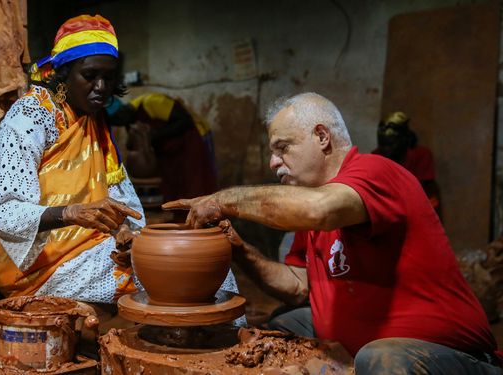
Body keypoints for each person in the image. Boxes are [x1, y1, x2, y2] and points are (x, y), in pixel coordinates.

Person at [163, 92, 501, 374]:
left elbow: (318, 209)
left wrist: (223, 200)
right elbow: (298, 286)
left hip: (447, 355)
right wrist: (239, 250)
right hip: (366, 343)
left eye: (282, 148)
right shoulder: (312, 204)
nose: (273, 162)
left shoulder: (375, 171)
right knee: (277, 328)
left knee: (381, 360)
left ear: (322, 137)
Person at [0, 14, 239, 307]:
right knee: (175, 268)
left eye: (108, 77)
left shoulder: (92, 121)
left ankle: (211, 345)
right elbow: (4, 213)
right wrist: (71, 212)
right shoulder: (30, 117)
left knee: (207, 263)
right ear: (63, 72)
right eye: (90, 76)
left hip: (89, 246)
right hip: (35, 267)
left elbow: (115, 196)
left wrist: (123, 230)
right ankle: (176, 342)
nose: (101, 86)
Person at [106, 92, 218, 205]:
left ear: (123, 109)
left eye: (118, 118)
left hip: (195, 137)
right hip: (174, 148)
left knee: (196, 182)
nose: (119, 123)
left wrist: (153, 136)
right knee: (175, 183)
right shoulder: (130, 120)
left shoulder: (150, 102)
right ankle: (179, 215)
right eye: (115, 122)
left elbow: (185, 120)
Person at [373, 111, 441, 213]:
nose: (385, 149)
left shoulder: (421, 155)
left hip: (417, 208)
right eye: (382, 144)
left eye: (391, 144)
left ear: (404, 140)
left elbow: (420, 190)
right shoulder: (376, 156)